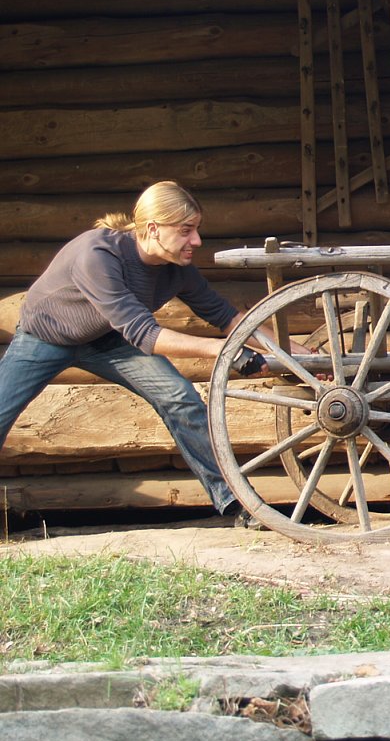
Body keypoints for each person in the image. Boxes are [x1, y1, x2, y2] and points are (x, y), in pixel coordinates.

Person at [0, 181, 270, 523]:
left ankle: (236, 502)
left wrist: (298, 354)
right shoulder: (98, 255)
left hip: (110, 340)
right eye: (186, 230)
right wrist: (224, 351)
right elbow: (144, 333)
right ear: (153, 229)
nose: (196, 241)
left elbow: (227, 317)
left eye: (196, 229)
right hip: (46, 337)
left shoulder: (177, 268)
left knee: (180, 398)